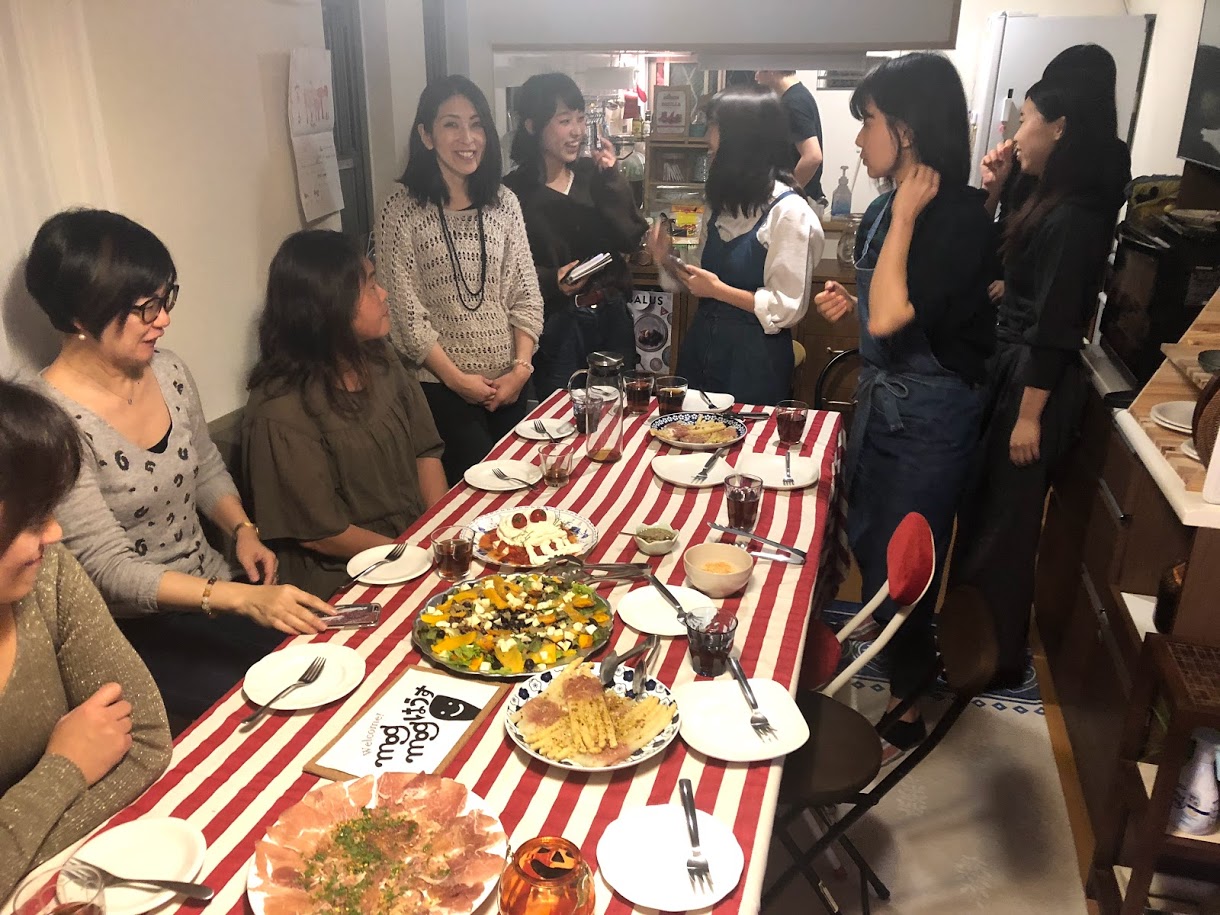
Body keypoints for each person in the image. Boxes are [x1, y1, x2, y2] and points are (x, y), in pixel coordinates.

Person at [25, 208, 333, 722]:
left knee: (319, 663)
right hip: (138, 631)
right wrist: (237, 599)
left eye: (165, 298)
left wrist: (242, 529)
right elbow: (109, 568)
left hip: (214, 588)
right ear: (79, 316)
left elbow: (205, 466)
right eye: (145, 308)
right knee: (263, 711)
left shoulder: (166, 370)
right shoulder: (50, 420)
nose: (163, 320)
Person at [812, 52, 996, 761]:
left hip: (930, 418)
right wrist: (852, 302)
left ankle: (909, 703)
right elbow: (891, 308)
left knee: (906, 561)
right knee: (870, 540)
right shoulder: (892, 203)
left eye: (869, 122)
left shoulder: (955, 216)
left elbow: (891, 318)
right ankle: (891, 654)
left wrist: (906, 226)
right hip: (887, 402)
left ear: (909, 129)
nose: (860, 139)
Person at [951, 72, 1130, 686]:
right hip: (1015, 368)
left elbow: (1057, 322)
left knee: (1008, 526)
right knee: (984, 513)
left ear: (1059, 127)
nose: (1015, 132)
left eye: (1025, 118)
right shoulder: (1050, 195)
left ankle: (995, 660)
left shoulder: (1077, 215)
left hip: (1035, 383)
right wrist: (997, 188)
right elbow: (1006, 261)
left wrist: (1029, 416)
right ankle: (970, 641)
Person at [0, 380, 171, 897]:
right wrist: (66, 767)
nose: (53, 533)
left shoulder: (47, 575)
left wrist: (15, 853)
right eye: (30, 518)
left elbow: (146, 740)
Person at [241, 230, 447, 598]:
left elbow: (425, 450)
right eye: (370, 286)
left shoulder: (379, 357)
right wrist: (409, 555)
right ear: (330, 305)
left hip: (412, 545)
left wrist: (437, 532)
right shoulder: (281, 409)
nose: (383, 294)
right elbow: (321, 534)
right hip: (342, 575)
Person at [378, 75, 545, 485]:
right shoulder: (401, 211)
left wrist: (520, 370)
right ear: (426, 135)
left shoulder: (505, 203)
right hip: (440, 391)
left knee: (522, 493)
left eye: (476, 124)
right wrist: (457, 381)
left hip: (510, 386)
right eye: (451, 124)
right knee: (473, 501)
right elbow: (405, 315)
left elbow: (526, 296)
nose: (467, 138)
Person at [647, 84, 823, 405]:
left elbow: (786, 308)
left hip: (755, 362)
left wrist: (719, 291)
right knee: (687, 430)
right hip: (702, 350)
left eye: (713, 127)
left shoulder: (789, 212)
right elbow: (696, 279)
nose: (707, 140)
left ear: (740, 141)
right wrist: (665, 258)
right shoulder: (719, 206)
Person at [503, 72, 649, 396]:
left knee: (618, 408)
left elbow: (629, 237)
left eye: (581, 119)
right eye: (564, 120)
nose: (577, 131)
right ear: (532, 125)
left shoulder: (593, 176)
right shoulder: (512, 193)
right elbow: (507, 270)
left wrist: (612, 178)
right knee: (560, 412)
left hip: (610, 315)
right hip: (557, 324)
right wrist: (550, 279)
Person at [755, 70, 826, 203]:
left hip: (798, 200)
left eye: (758, 70)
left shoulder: (794, 102)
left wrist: (783, 196)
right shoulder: (797, 96)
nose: (756, 77)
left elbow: (813, 157)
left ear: (772, 70)